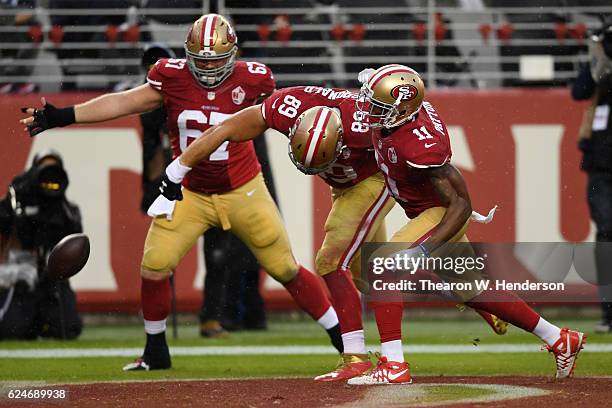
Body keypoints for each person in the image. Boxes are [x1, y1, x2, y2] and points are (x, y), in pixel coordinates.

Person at [20, 14, 342, 371]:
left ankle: (341, 336)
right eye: (200, 60)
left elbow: (285, 111)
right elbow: (123, 102)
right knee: (155, 265)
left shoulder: (254, 79)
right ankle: (155, 351)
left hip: (243, 188)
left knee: (284, 268)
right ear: (187, 55)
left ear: (233, 55)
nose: (207, 69)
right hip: (187, 191)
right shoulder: (170, 77)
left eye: (215, 60)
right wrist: (64, 115)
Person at [152, 84, 508, 382]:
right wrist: (178, 168)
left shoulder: (364, 123)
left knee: (331, 259)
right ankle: (468, 288)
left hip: (372, 179)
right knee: (367, 275)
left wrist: (427, 201)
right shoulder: (285, 107)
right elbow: (226, 129)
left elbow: (407, 145)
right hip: (345, 186)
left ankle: (356, 358)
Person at [341, 64, 585, 384]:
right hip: (426, 212)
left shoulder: (420, 143)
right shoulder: (397, 117)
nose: (368, 109)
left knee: (383, 266)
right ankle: (558, 338)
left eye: (378, 105)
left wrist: (425, 250)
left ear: (401, 109)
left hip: (441, 214)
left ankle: (394, 364)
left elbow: (461, 204)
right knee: (475, 290)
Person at [138, 42, 270, 337]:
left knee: (219, 254)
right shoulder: (156, 98)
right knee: (161, 256)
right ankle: (157, 320)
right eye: (149, 67)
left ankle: (211, 315)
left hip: (218, 181)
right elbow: (151, 147)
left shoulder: (195, 88)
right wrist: (157, 183)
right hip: (176, 180)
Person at [0, 150, 83, 340]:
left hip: (53, 280)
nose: (49, 178)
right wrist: (17, 199)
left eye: (54, 171)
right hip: (20, 278)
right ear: (34, 172)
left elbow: (75, 238)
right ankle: (27, 321)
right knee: (12, 331)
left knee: (68, 329)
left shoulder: (66, 210)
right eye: (44, 171)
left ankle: (42, 323)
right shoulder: (17, 202)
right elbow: (3, 223)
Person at [571, 19, 612, 334]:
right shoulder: (601, 67)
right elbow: (580, 90)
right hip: (600, 162)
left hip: (601, 160)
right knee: (606, 232)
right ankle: (608, 312)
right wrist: (598, 53)